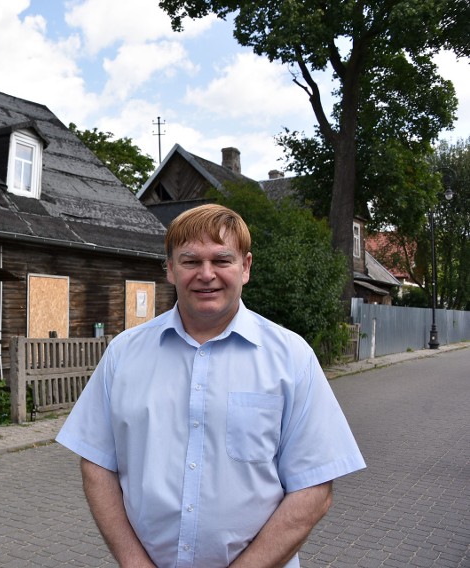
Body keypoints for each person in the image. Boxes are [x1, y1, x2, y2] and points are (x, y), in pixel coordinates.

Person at [56, 204, 366, 567]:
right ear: (170, 269)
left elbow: (314, 489)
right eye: (190, 261)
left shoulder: (291, 357)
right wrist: (134, 562)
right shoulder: (124, 354)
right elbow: (96, 463)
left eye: (222, 260)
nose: (207, 275)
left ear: (245, 267)